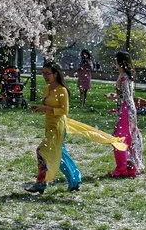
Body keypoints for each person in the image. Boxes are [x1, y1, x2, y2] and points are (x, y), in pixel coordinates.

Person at [26, 63, 127, 194]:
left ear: (55, 74)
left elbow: (64, 110)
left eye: (48, 73)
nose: (45, 76)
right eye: (43, 73)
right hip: (49, 126)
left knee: (42, 152)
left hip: (58, 127)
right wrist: (40, 108)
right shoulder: (48, 88)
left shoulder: (61, 90)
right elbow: (50, 106)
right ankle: (74, 180)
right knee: (60, 155)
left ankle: (41, 183)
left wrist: (46, 109)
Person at [106, 51, 144, 177]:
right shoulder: (124, 75)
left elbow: (126, 96)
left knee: (119, 138)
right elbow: (126, 95)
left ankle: (122, 169)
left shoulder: (124, 77)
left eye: (116, 60)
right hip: (126, 109)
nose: (114, 62)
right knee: (127, 137)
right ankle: (129, 167)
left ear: (120, 61)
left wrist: (122, 110)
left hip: (126, 109)